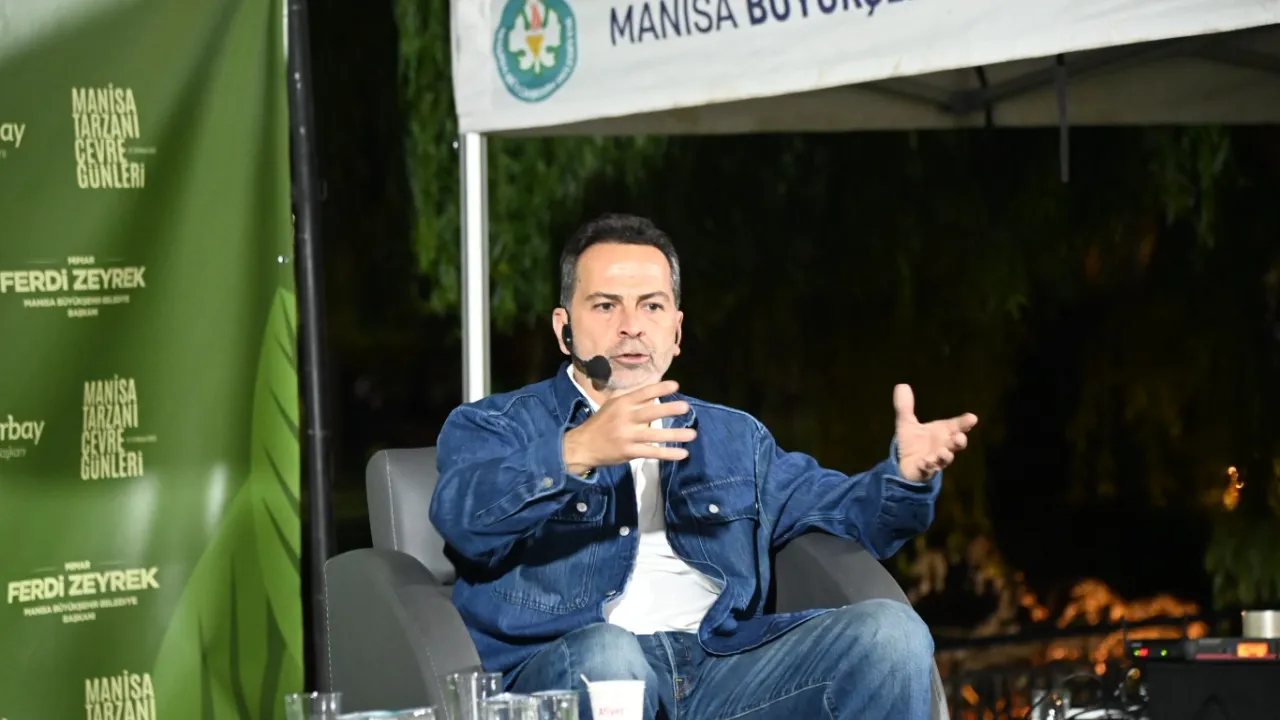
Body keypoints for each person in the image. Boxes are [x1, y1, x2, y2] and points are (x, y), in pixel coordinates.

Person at [430, 213, 978, 720]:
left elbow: (852, 517)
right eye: (605, 306)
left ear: (676, 330)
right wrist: (576, 451)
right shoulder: (497, 424)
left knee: (891, 633)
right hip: (575, 667)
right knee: (611, 656)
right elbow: (462, 518)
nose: (631, 326)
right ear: (563, 327)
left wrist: (905, 477)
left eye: (651, 306)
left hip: (721, 666)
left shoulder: (735, 437)